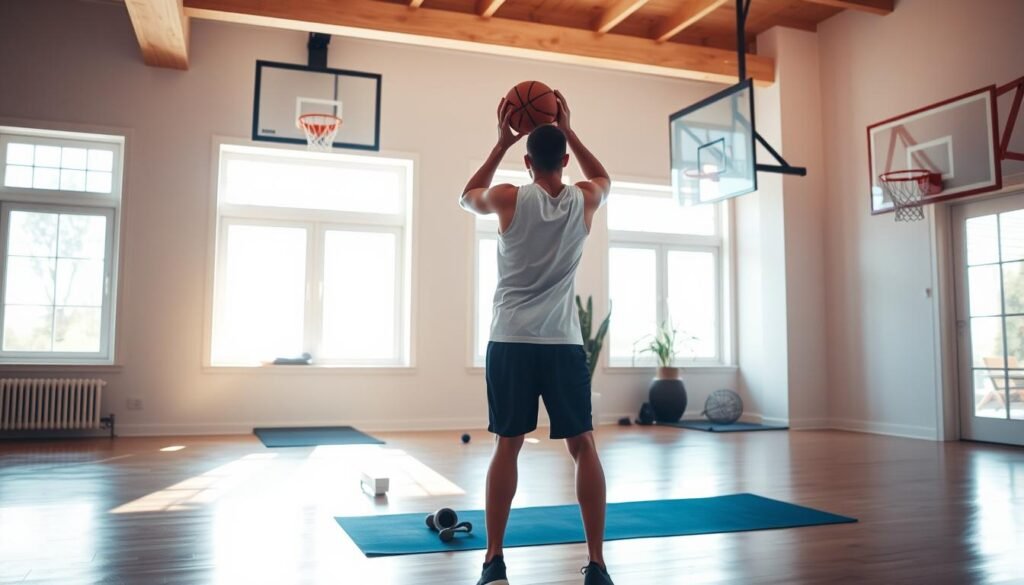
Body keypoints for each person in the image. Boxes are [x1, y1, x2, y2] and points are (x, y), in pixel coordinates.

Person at [459, 91, 614, 585]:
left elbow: (466, 197)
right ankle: (596, 564)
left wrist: (501, 143)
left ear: (527, 162)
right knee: (584, 446)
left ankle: (494, 561)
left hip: (510, 341)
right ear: (565, 159)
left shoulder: (508, 196)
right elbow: (604, 179)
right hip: (563, 343)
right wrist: (569, 128)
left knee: (508, 445)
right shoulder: (584, 200)